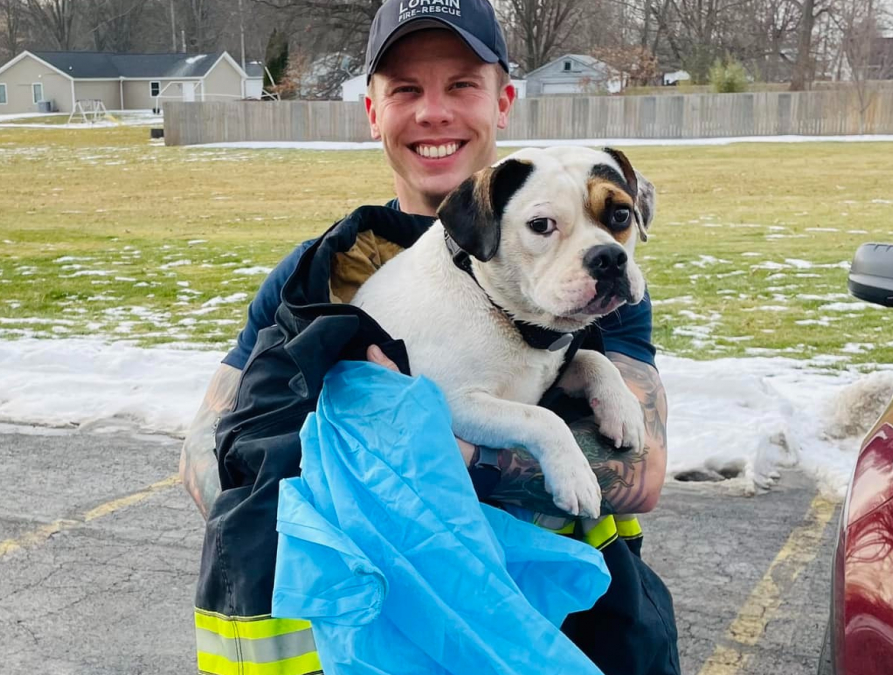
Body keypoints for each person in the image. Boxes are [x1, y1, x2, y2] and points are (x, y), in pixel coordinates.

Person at [180, 1, 679, 673]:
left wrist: (462, 456)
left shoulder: (585, 284)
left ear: (503, 100)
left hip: (559, 627)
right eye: (407, 89)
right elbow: (203, 462)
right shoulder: (319, 273)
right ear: (372, 111)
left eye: (461, 86)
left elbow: (640, 472)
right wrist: (359, 452)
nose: (433, 112)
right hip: (383, 632)